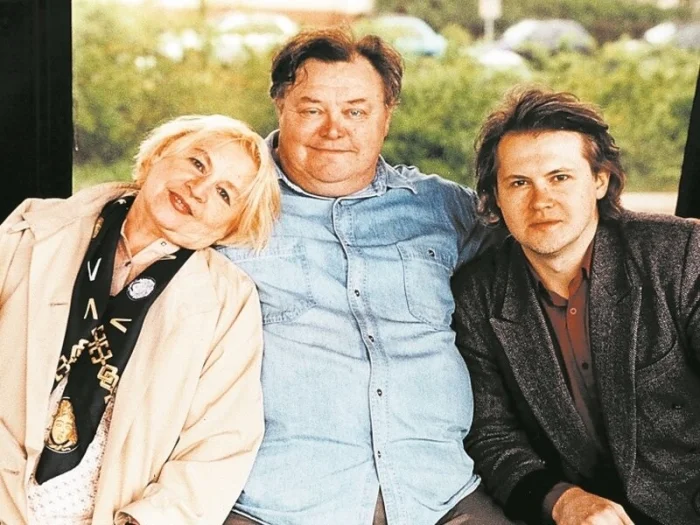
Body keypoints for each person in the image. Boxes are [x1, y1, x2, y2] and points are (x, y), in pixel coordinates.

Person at [218, 27, 511, 525]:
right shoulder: (230, 203)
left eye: (356, 111)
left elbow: (548, 243)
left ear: (386, 116)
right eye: (313, 110)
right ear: (280, 105)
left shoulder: (441, 208)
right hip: (275, 508)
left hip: (441, 498)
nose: (334, 130)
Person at [0, 114, 280, 525]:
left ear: (232, 227)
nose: (198, 189)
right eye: (197, 163)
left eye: (224, 194)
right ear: (157, 157)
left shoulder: (229, 303)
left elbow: (219, 448)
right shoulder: (33, 229)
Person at [452, 87, 700, 525]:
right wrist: (562, 501)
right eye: (519, 183)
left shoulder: (679, 254)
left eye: (560, 177)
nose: (541, 200)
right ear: (495, 195)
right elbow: (492, 435)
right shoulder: (477, 294)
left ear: (600, 181)